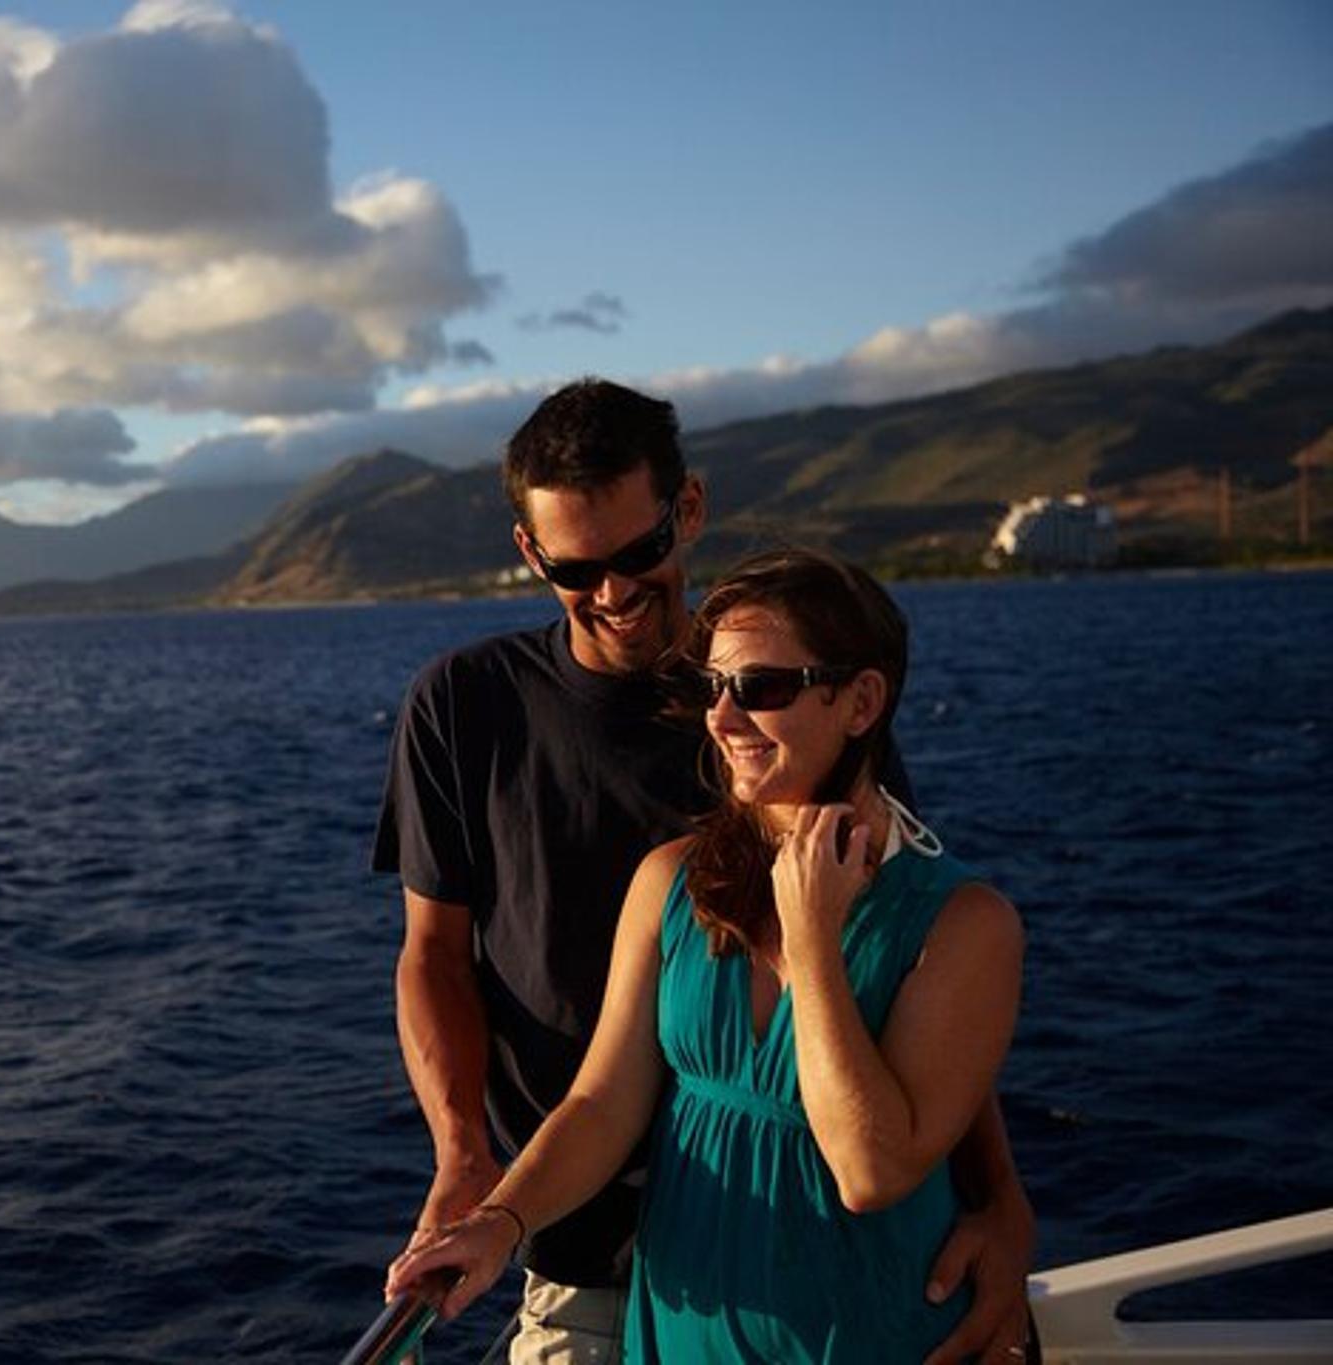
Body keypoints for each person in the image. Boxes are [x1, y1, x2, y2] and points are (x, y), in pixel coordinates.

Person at [371, 381, 1033, 1363]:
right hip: (581, 1225)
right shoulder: (468, 708)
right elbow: (435, 961)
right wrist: (471, 1168)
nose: (612, 593)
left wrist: (1001, 1201)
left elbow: (911, 988)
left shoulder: (805, 729)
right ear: (529, 553)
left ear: (686, 511)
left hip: (832, 1253)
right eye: (573, 567)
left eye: (638, 555)